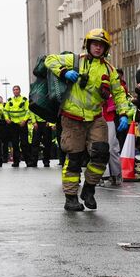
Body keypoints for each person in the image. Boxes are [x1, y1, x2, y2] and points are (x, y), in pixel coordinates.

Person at [45, 28, 132, 211]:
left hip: (94, 117)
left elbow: (119, 93)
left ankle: (89, 189)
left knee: (101, 155)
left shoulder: (109, 69)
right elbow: (49, 60)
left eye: (101, 45)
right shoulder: (76, 60)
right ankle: (70, 197)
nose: (98, 48)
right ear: (88, 44)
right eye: (95, 44)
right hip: (72, 117)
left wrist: (124, 114)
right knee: (74, 158)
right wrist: (63, 72)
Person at [4, 85, 32, 167]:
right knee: (15, 143)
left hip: (22, 124)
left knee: (24, 143)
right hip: (13, 124)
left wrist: (24, 120)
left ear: (19, 91)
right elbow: (5, 111)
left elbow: (28, 111)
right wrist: (7, 118)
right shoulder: (10, 100)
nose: (15, 91)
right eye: (14, 90)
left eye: (17, 90)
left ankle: (28, 161)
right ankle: (16, 162)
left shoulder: (24, 100)